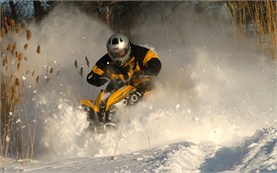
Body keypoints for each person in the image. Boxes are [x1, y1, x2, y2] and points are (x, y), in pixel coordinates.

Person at [87, 33, 161, 99]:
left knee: (147, 84)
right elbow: (91, 76)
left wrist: (143, 72)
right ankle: (100, 107)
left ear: (127, 48)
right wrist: (103, 78)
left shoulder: (140, 52)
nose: (118, 56)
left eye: (120, 53)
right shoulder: (106, 60)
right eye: (114, 54)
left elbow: (155, 63)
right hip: (119, 86)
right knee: (106, 94)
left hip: (141, 83)